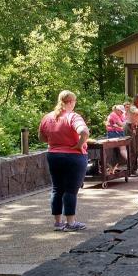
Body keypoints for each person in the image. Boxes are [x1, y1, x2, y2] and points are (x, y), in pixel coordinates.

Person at [38, 90, 88, 232]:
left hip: (54, 156)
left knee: (57, 189)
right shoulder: (73, 116)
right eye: (75, 101)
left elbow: (41, 137)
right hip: (74, 157)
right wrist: (79, 144)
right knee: (71, 190)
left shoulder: (48, 117)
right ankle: (71, 223)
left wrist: (55, 141)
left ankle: (58, 223)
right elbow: (84, 132)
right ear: (70, 102)